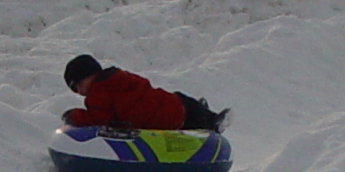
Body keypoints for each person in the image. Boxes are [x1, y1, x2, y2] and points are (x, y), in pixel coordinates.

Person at [62, 54, 224, 133]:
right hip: (168, 104)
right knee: (181, 101)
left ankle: (207, 121)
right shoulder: (119, 77)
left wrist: (74, 116)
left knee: (177, 116)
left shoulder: (98, 93)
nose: (81, 92)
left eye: (80, 85)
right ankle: (207, 116)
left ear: (90, 75)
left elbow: (97, 119)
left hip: (159, 122)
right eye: (76, 90)